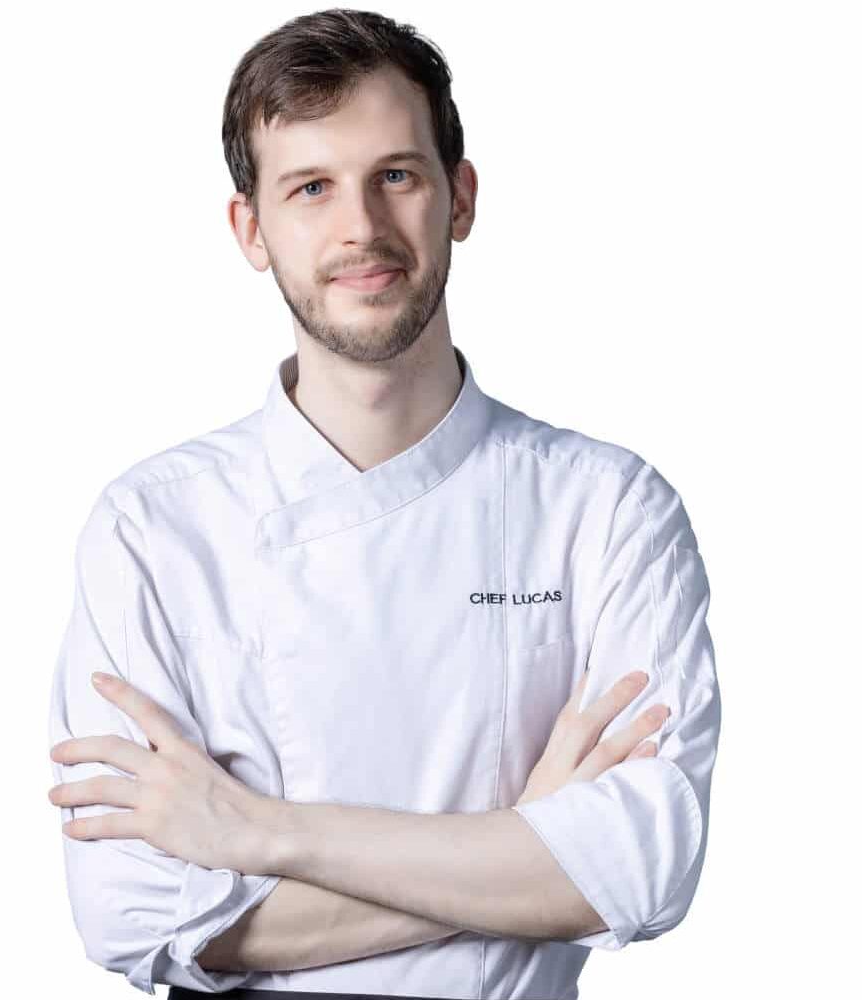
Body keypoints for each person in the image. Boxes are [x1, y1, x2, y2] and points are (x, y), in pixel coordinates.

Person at [46, 9, 721, 999]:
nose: (360, 226)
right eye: (311, 187)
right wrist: (528, 851)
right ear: (250, 228)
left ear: (461, 197)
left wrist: (259, 835)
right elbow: (131, 917)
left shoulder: (609, 509)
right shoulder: (154, 528)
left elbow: (644, 867)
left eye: (395, 175)